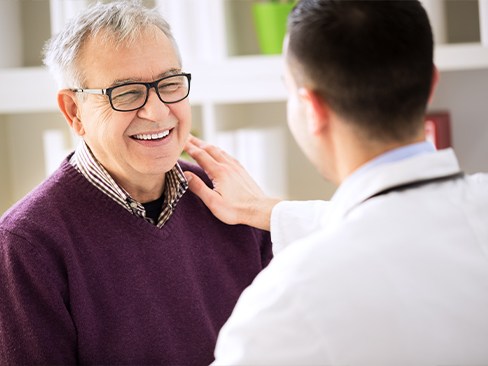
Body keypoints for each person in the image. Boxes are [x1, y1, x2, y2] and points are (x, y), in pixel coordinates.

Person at [183, 0, 488, 364]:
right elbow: (401, 225)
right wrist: (269, 210)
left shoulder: (287, 304)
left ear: (312, 108)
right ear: (432, 83)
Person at [0, 1, 272, 364]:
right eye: (127, 93)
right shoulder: (27, 244)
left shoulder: (234, 203)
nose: (157, 111)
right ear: (74, 112)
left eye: (170, 83)